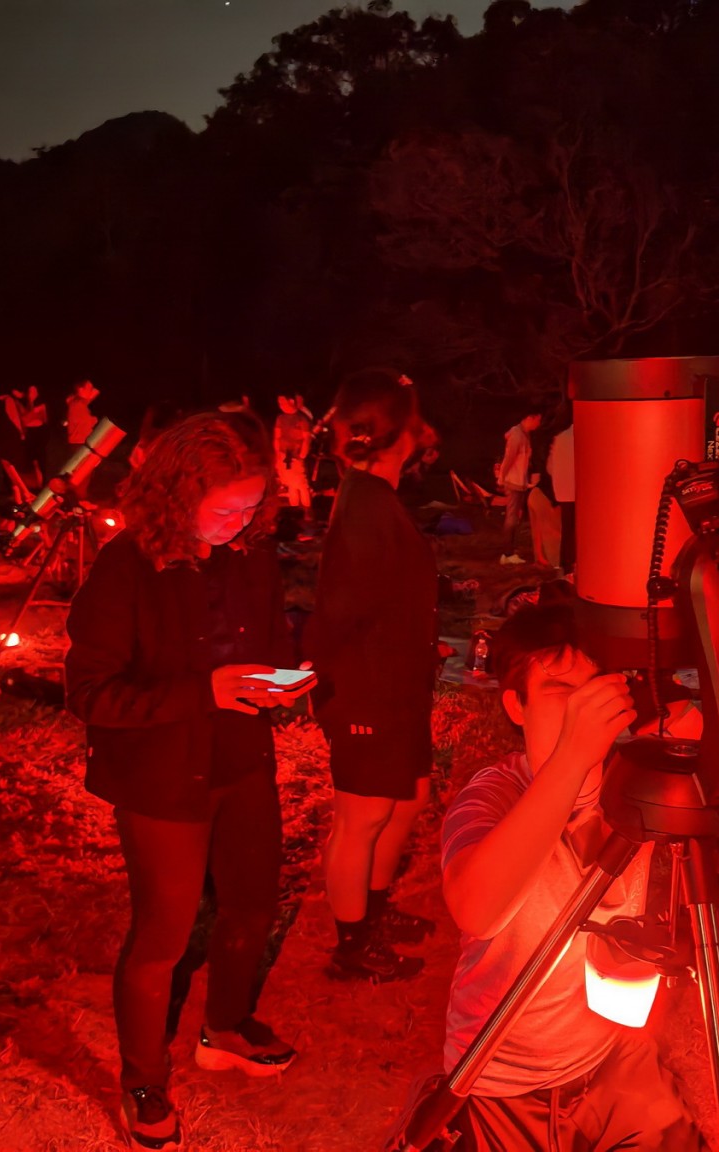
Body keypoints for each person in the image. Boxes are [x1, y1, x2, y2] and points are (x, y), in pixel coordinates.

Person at [65, 411, 306, 1152]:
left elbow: (270, 638)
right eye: (225, 510)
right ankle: (144, 1080)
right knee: (162, 936)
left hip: (242, 760)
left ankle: (224, 1027)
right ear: (176, 495)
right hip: (162, 777)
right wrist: (204, 691)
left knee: (251, 906)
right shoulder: (126, 568)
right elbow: (90, 693)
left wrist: (283, 679)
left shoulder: (251, 555)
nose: (240, 524)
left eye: (252, 507)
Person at [436, 602, 704, 1150]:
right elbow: (476, 909)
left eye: (594, 691)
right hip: (507, 1070)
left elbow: (701, 741)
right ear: (516, 704)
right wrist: (572, 756)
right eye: (561, 691)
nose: (584, 709)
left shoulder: (632, 780)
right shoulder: (492, 796)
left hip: (612, 1051)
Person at [306, 370, 439, 982]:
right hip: (369, 690)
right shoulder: (363, 504)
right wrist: (337, 693)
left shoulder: (375, 496)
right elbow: (340, 612)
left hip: (397, 686)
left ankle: (373, 910)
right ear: (400, 432)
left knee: (408, 801)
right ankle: (352, 946)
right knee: (361, 817)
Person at [498, 410, 542, 562]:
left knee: (515, 517)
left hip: (519, 482)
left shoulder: (524, 434)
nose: (538, 424)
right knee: (511, 517)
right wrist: (502, 477)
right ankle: (507, 554)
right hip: (513, 482)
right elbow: (509, 458)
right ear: (530, 417)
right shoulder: (517, 435)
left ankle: (510, 551)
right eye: (538, 420)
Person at [273, 394, 313, 529]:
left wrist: (302, 454)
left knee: (301, 484)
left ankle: (307, 511)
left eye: (283, 403)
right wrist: (277, 453)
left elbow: (306, 438)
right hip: (283, 455)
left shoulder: (301, 419)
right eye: (280, 403)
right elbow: (277, 436)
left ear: (291, 402)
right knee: (290, 484)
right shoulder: (280, 418)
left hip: (296, 455)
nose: (281, 406)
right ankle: (294, 510)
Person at [546, 417, 575, 576]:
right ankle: (576, 563)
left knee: (567, 530)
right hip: (579, 491)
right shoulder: (585, 438)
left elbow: (550, 467)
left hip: (563, 491)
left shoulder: (559, 438)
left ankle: (566, 564)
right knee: (580, 531)